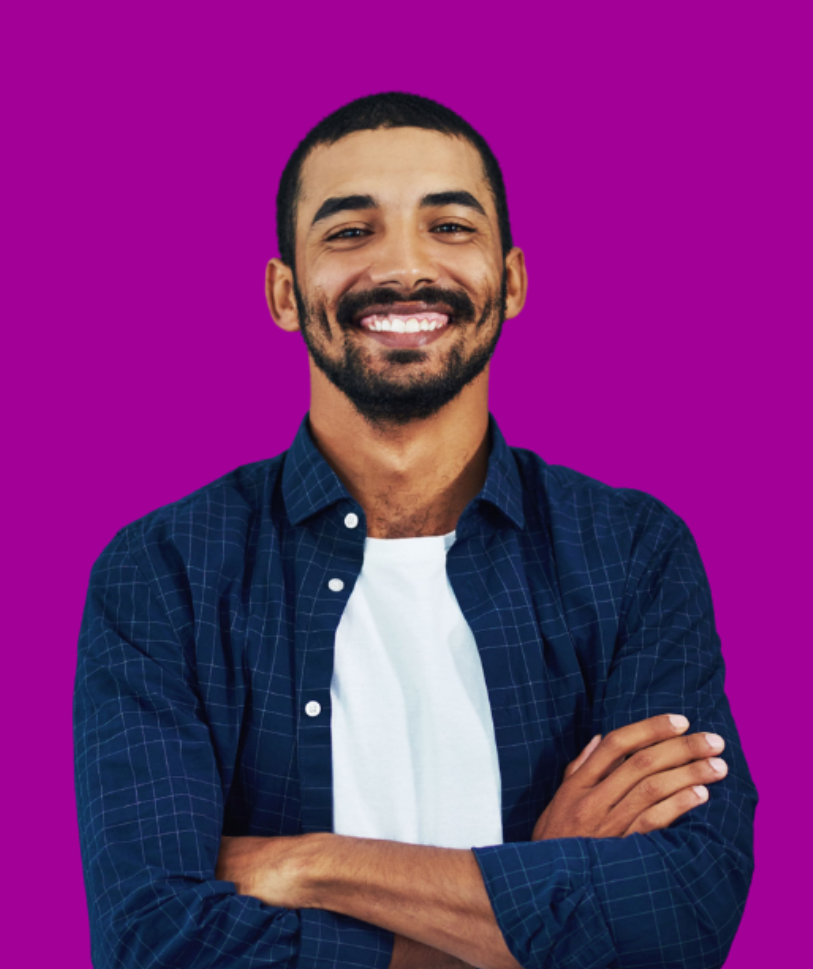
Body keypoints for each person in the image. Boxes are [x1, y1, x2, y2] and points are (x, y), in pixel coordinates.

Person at [73, 92, 757, 969]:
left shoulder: (630, 553)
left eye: (449, 226)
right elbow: (154, 940)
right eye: (350, 232)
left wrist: (304, 863)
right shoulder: (163, 572)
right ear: (286, 293)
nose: (403, 267)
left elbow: (681, 914)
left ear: (510, 280)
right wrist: (541, 890)